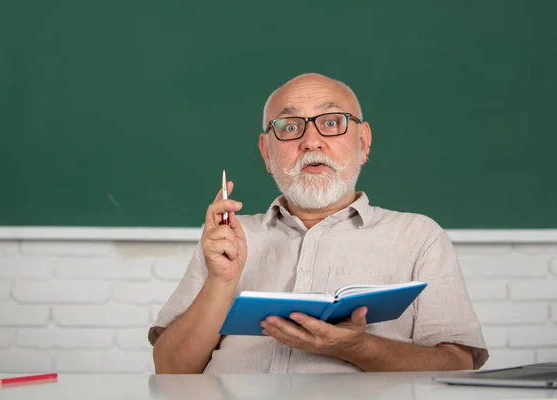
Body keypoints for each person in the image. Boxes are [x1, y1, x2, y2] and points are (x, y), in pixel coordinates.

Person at [149, 73, 488, 374]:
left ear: (364, 141)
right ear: (267, 153)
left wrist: (356, 348)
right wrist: (221, 282)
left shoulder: (418, 237)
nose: (311, 141)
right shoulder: (229, 240)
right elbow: (170, 370)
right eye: (290, 127)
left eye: (331, 122)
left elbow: (457, 365)